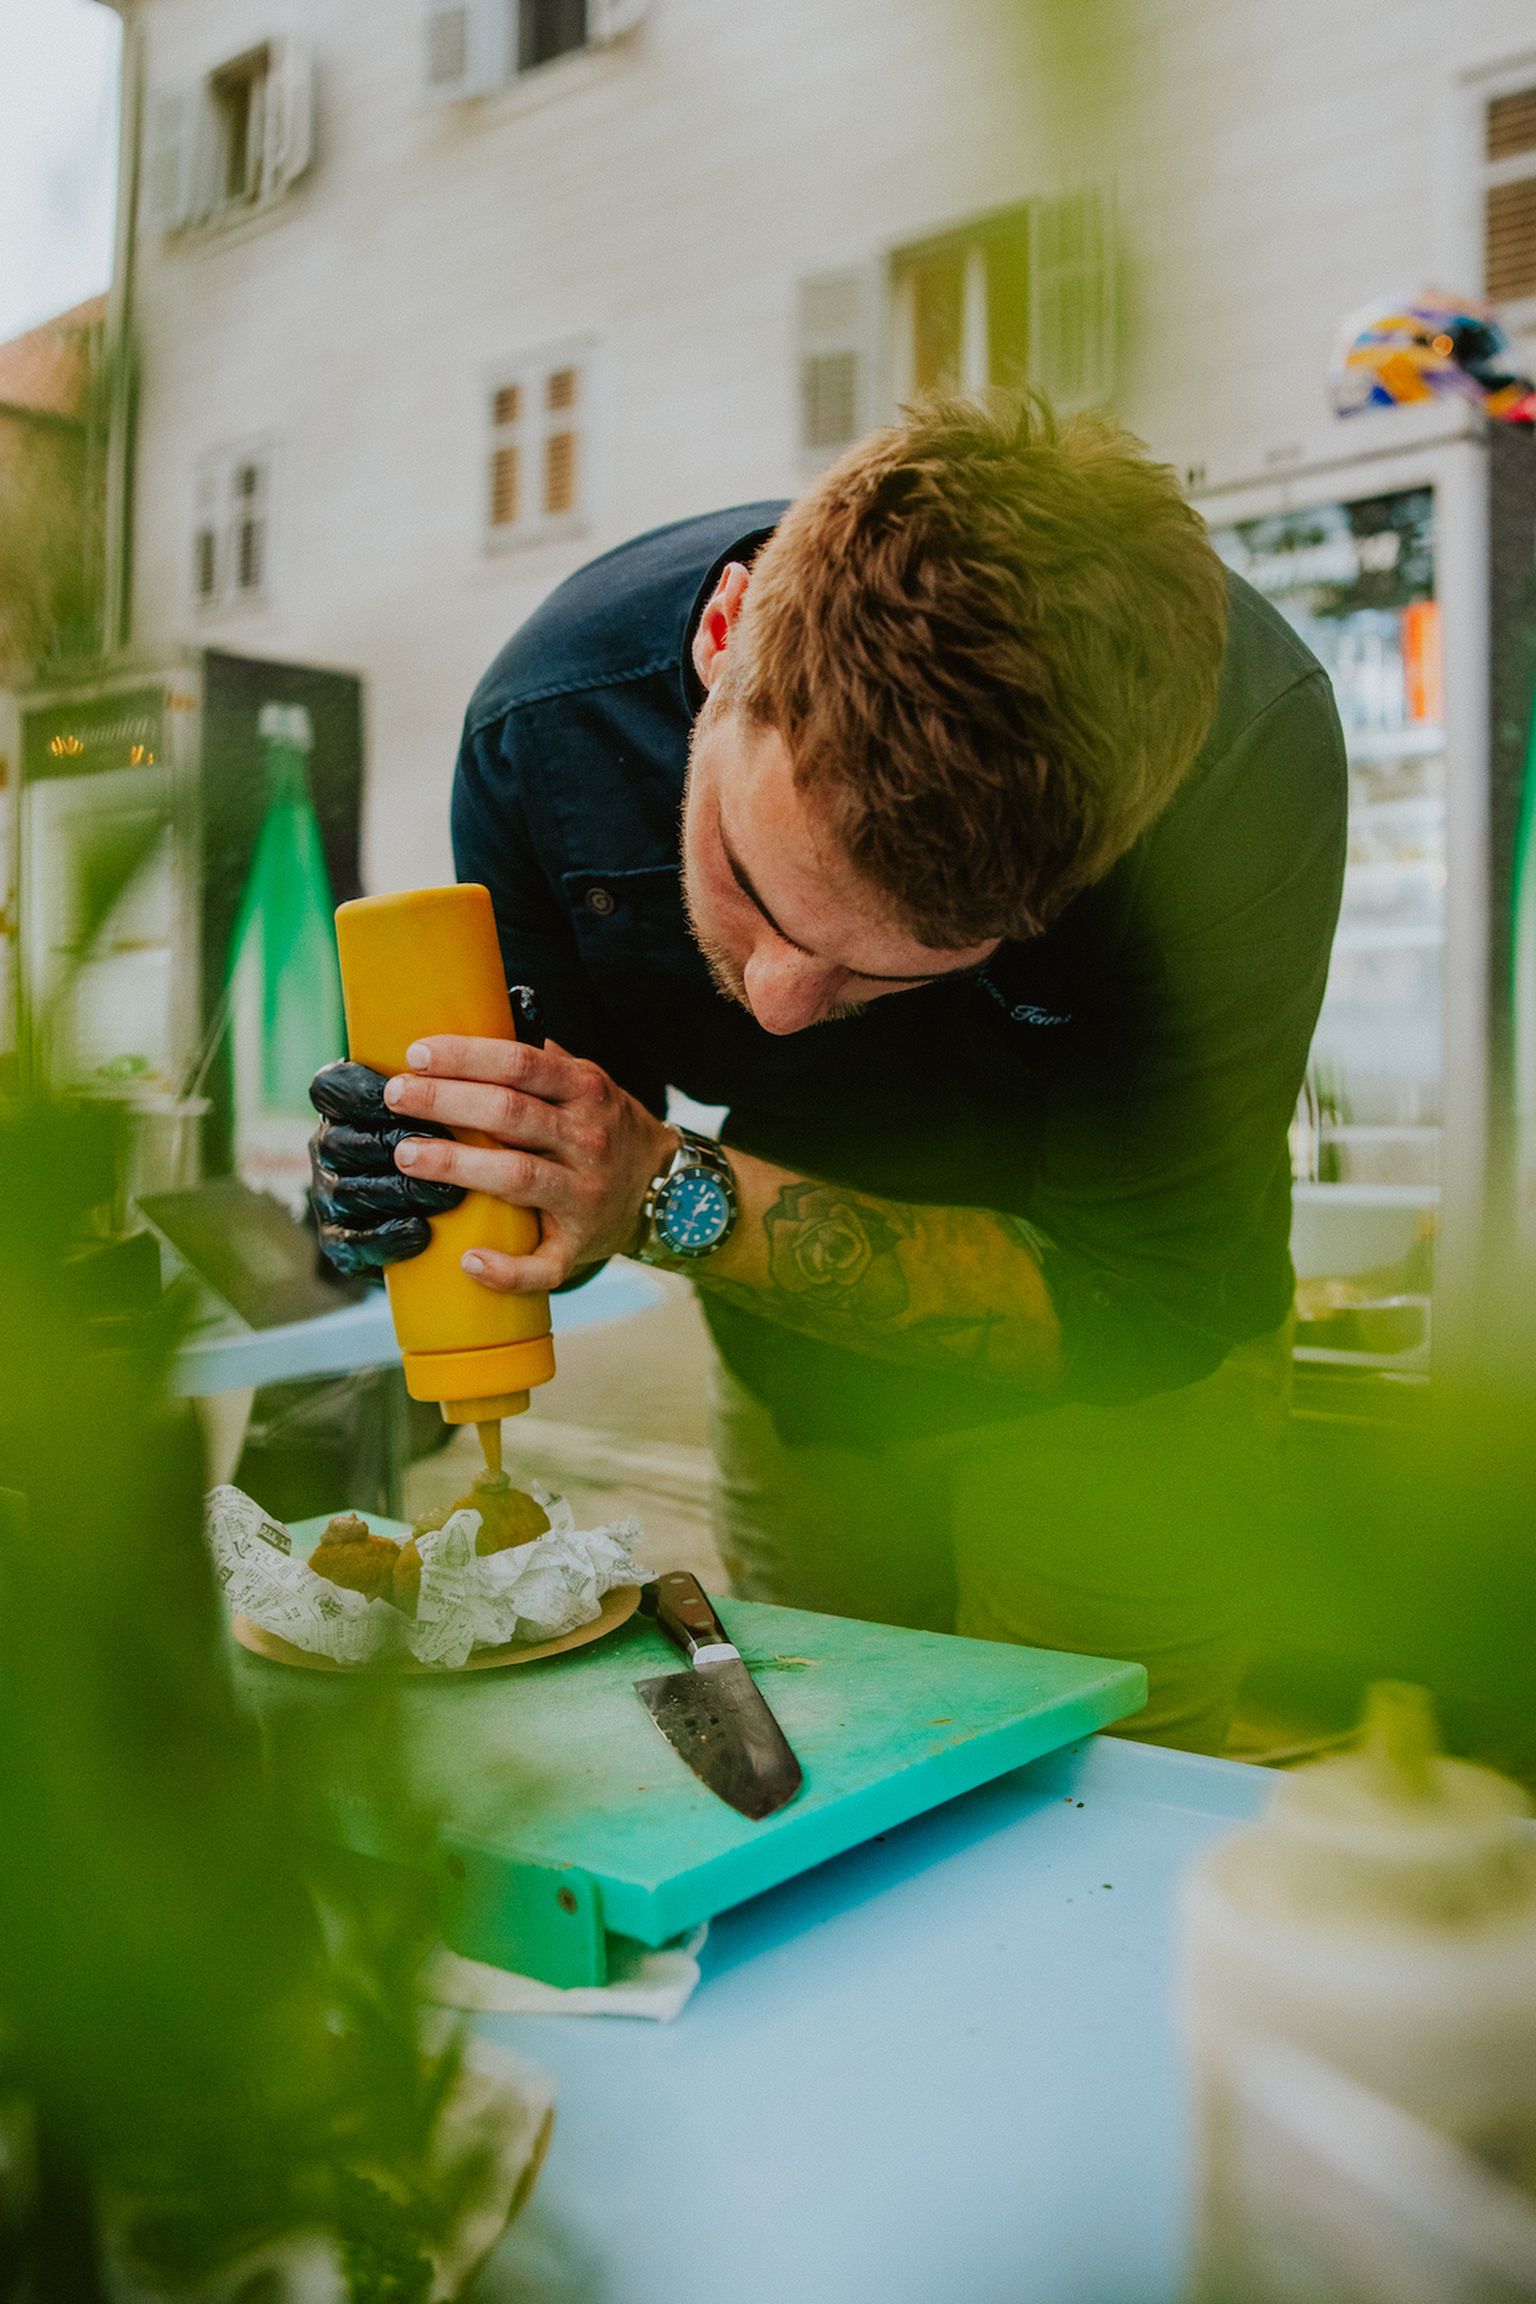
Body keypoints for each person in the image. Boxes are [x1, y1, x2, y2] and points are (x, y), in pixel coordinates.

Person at [310, 394, 1346, 1752]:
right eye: (751, 887)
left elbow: (1143, 1297)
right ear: (726, 635)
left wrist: (662, 1190)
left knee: (1098, 1795)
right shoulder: (550, 726)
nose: (780, 1007)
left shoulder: (1241, 763)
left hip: (1140, 1385)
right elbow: (569, 1181)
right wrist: (443, 1174)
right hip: (804, 1384)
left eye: (891, 968)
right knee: (833, 1777)